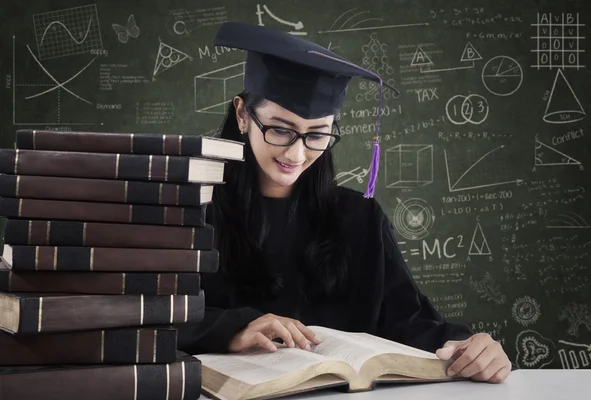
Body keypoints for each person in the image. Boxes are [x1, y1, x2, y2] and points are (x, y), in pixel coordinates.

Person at [177, 21, 512, 383]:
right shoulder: (189, 210)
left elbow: (410, 325)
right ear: (243, 115)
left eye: (317, 134)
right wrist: (231, 329)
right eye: (279, 128)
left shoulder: (359, 220)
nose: (296, 152)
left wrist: (470, 347)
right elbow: (140, 321)